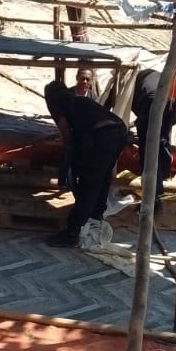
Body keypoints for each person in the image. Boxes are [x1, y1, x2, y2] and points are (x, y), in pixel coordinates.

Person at [44, 80, 127, 247]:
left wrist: (71, 161)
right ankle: (95, 218)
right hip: (119, 130)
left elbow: (66, 135)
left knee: (89, 183)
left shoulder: (55, 101)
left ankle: (72, 232)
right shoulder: (77, 100)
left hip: (103, 135)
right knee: (103, 178)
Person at [131, 68, 176, 212]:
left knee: (148, 150)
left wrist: (141, 128)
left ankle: (153, 198)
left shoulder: (136, 84)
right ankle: (163, 174)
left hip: (153, 102)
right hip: (171, 100)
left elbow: (136, 109)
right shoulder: (159, 77)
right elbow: (174, 114)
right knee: (162, 141)